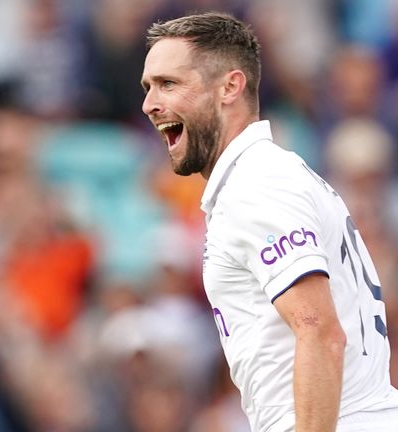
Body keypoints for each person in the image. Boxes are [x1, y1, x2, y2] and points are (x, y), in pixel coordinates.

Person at [140, 12, 398, 432]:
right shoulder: (272, 174)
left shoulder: (255, 184)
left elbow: (319, 331)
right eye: (148, 87)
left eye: (169, 83)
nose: (149, 103)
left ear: (230, 87)